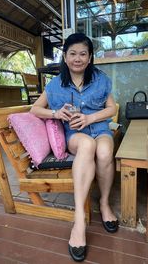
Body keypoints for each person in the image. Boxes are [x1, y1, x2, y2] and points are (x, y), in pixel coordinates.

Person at [30, 33, 118, 262]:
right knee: (87, 145)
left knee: (105, 151)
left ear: (89, 58)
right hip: (75, 135)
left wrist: (90, 119)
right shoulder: (55, 84)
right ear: (65, 56)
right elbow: (35, 110)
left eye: (83, 54)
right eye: (72, 53)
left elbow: (112, 108)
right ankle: (79, 219)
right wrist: (55, 113)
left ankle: (104, 202)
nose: (77, 58)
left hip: (99, 129)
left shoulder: (100, 78)